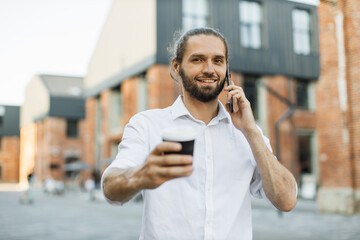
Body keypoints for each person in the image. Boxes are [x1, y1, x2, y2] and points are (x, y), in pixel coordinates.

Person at [101, 27, 297, 240]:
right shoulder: (147, 125)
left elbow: (286, 201)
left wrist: (251, 131)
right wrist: (141, 176)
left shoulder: (248, 133)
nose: (210, 69)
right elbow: (110, 188)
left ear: (227, 70)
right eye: (198, 60)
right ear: (176, 67)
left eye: (218, 61)